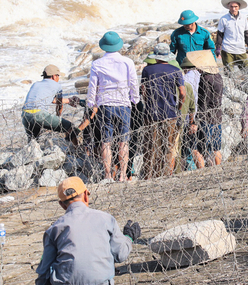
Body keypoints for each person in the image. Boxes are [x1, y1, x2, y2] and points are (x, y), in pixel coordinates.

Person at [35, 176, 140, 285]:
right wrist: (128, 237)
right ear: (86, 195)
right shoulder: (106, 219)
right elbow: (120, 255)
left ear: (62, 205)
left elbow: (43, 271)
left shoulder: (54, 229)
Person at [87, 31, 140, 182]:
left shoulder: (97, 64)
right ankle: (123, 174)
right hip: (123, 104)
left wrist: (91, 103)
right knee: (123, 141)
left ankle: (108, 175)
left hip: (105, 105)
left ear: (104, 46)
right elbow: (133, 82)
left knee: (106, 142)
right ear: (119, 45)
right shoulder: (127, 62)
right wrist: (135, 99)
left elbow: (92, 87)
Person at [140, 43, 186, 179]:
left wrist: (148, 101)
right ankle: (166, 174)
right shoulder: (175, 70)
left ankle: (150, 175)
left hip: (151, 113)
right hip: (170, 112)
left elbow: (143, 90)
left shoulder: (147, 70)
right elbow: (182, 92)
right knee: (168, 146)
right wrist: (178, 106)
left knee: (151, 146)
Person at [22, 65, 79, 145]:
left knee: (33, 141)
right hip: (39, 115)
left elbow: (51, 99)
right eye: (58, 76)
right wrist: (58, 117)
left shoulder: (36, 84)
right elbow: (59, 105)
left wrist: (69, 100)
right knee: (69, 126)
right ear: (54, 76)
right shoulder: (57, 85)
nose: (58, 78)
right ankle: (76, 150)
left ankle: (31, 155)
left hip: (25, 115)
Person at [190, 50, 224, 167]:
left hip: (206, 118)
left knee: (198, 147)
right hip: (217, 115)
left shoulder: (205, 79)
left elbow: (203, 102)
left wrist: (195, 121)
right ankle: (218, 168)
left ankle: (202, 172)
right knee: (216, 147)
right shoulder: (218, 76)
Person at [215, 0, 248, 73]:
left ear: (239, 7)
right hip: (227, 50)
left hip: (240, 49)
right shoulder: (224, 19)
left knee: (247, 71)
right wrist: (218, 48)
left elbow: (246, 33)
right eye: (231, 6)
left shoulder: (243, 18)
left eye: (235, 6)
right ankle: (230, 85)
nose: (233, 9)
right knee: (229, 73)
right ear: (228, 6)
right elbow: (220, 35)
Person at [179, 57, 201, 169]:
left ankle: (191, 168)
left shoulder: (186, 79)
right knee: (197, 146)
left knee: (189, 147)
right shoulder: (200, 75)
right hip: (201, 114)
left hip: (189, 116)